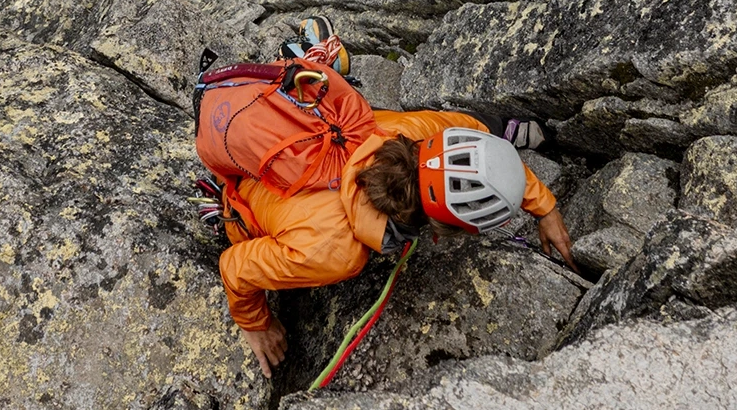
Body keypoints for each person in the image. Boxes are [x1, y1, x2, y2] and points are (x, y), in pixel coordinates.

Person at [196, 19, 575, 377]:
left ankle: (314, 66)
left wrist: (544, 206)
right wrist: (256, 324)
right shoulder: (334, 251)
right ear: (441, 229)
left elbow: (470, 132)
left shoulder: (409, 134)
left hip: (280, 141)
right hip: (245, 196)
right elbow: (236, 267)